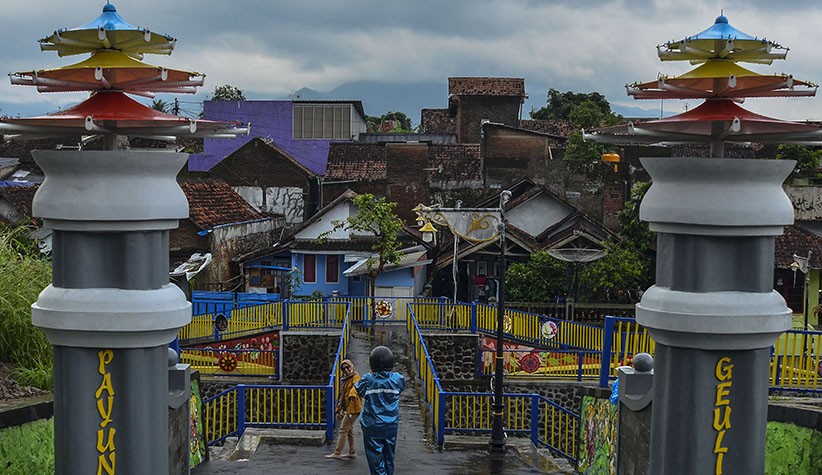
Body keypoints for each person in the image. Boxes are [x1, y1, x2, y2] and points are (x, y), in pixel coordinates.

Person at [355, 346, 405, 475]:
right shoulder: (397, 379)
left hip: (372, 425)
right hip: (391, 424)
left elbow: (359, 390)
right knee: (389, 456)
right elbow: (401, 387)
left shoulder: (368, 380)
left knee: (375, 458)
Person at [325, 359, 362, 459]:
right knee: (349, 430)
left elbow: (356, 387)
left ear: (351, 366)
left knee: (343, 430)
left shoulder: (355, 376)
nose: (346, 370)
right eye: (343, 368)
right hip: (348, 408)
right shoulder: (345, 379)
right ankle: (352, 451)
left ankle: (337, 453)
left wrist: (352, 395)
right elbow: (341, 396)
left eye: (347, 367)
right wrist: (338, 410)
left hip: (353, 408)